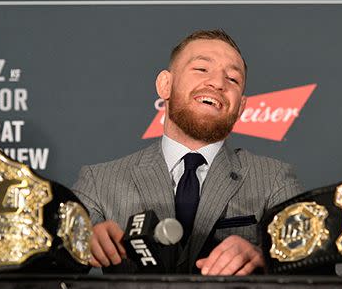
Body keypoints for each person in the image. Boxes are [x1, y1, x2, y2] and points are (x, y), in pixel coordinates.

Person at [72, 29, 303, 275]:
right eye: (202, 69)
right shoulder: (99, 182)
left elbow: (313, 267)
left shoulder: (275, 180)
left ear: (241, 107)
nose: (217, 83)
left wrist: (263, 257)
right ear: (165, 84)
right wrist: (80, 242)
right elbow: (46, 268)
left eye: (233, 79)